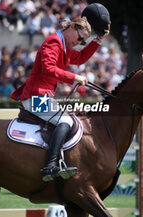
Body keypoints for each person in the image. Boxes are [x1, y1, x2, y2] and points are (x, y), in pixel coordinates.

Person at [11, 16, 110, 182]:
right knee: (66, 121)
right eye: (80, 38)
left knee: (69, 119)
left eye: (83, 41)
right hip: (35, 98)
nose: (79, 42)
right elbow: (49, 69)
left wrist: (98, 40)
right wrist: (74, 77)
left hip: (41, 97)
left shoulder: (62, 45)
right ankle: (49, 167)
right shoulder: (53, 42)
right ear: (71, 27)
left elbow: (80, 58)